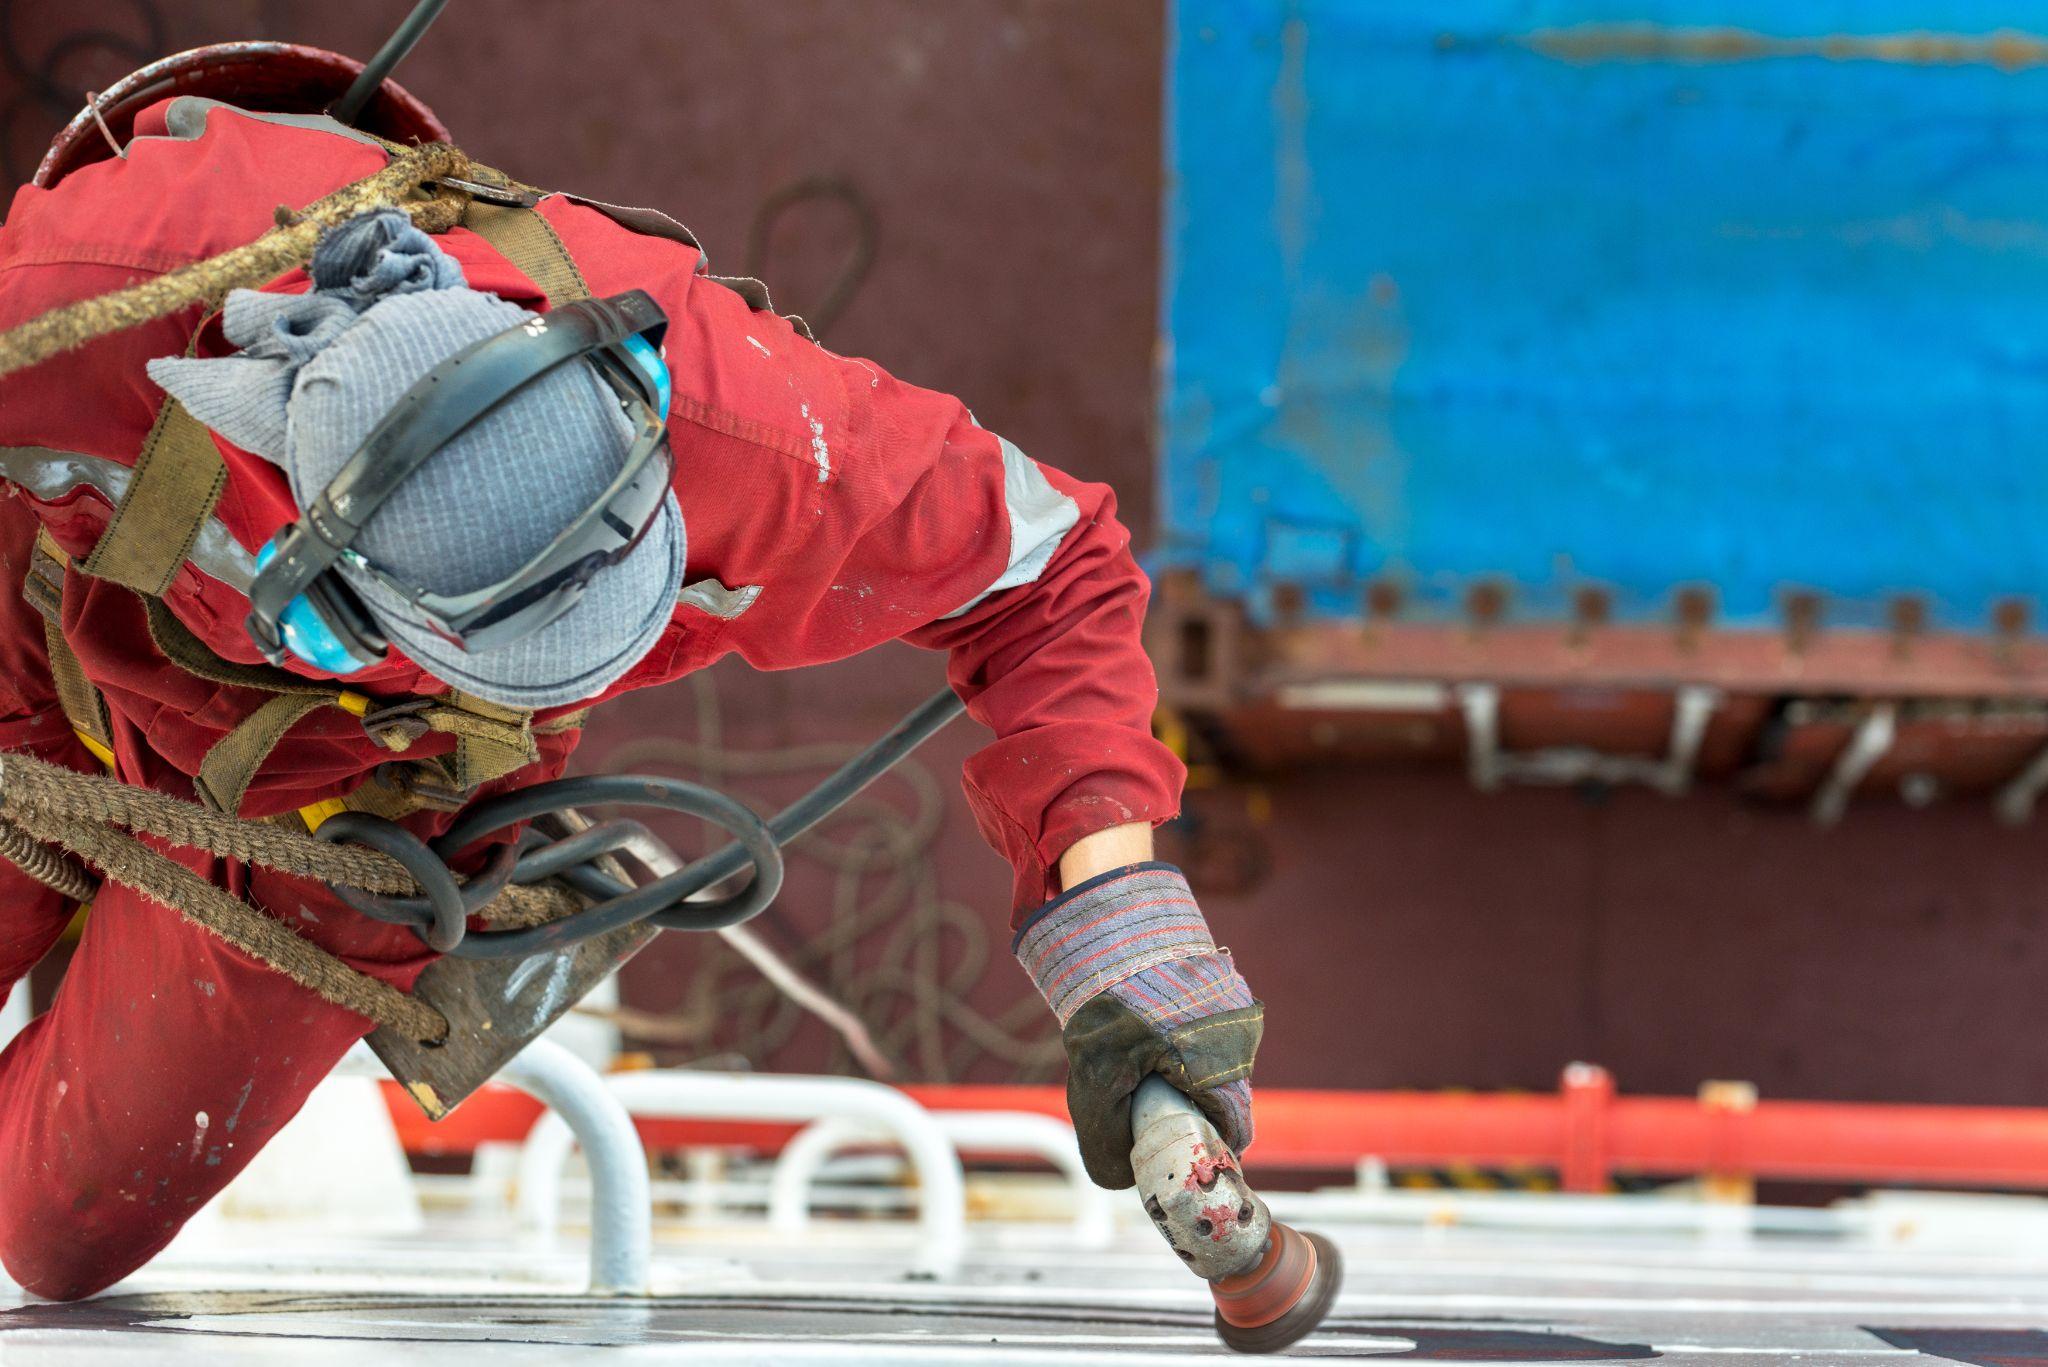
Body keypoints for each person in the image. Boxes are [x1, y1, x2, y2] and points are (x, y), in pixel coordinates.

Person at [0, 89, 1262, 1300]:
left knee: (47, 1223)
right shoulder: (76, 304)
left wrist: (1119, 932)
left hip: (345, 798)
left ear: (636, 412)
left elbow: (1053, 564)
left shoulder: (748, 435)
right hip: (30, 620)